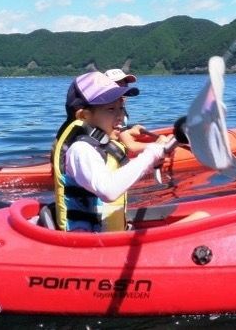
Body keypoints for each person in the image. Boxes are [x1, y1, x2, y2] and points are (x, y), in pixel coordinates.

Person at [51, 71, 172, 232]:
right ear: (84, 116)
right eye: (111, 109)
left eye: (121, 108)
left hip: (108, 239)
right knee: (199, 218)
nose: (120, 116)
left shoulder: (103, 144)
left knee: (200, 215)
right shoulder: (81, 149)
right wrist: (151, 154)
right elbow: (108, 190)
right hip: (89, 247)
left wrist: (151, 163)